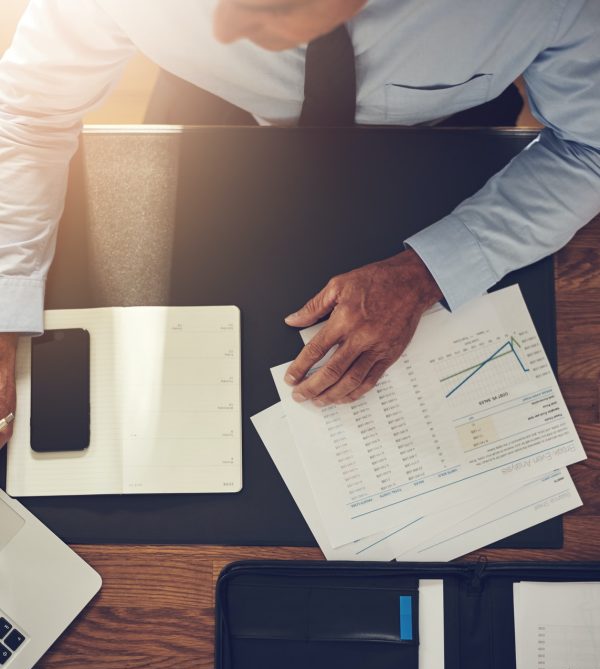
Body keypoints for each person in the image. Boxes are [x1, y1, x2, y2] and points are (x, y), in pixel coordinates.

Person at [0, 0, 599, 450]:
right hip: (211, 118)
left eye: (262, 9)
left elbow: (591, 149)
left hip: (435, 145)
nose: (225, 28)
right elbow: (27, 114)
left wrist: (429, 272)